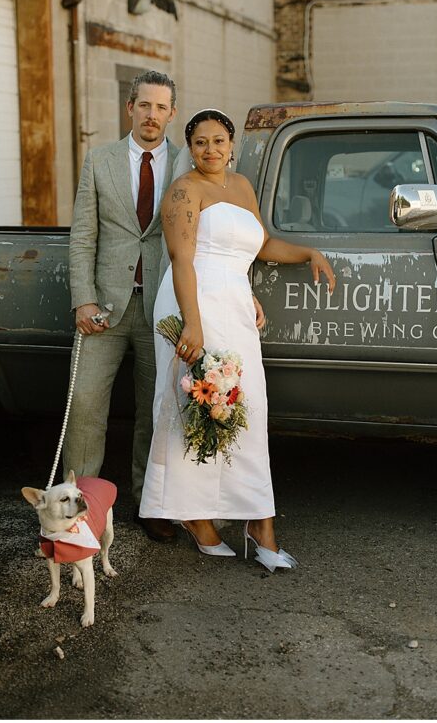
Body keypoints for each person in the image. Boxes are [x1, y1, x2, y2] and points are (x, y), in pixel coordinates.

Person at [64, 71, 265, 542]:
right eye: (144, 105)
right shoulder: (99, 161)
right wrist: (83, 298)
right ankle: (78, 512)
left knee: (158, 407)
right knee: (86, 405)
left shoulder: (188, 160)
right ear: (129, 107)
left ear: (172, 113)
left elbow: (220, 238)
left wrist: (244, 286)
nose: (152, 115)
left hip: (166, 305)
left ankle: (149, 505)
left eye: (162, 107)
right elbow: (82, 237)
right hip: (105, 309)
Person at [139, 108, 336, 571]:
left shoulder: (242, 186)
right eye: (201, 141)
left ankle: (255, 521)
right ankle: (196, 516)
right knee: (192, 408)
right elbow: (181, 259)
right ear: (190, 147)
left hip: (234, 306)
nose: (211, 149)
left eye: (219, 140)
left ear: (232, 145)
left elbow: (260, 245)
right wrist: (192, 323)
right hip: (193, 303)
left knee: (246, 412)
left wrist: (307, 252)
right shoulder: (184, 191)